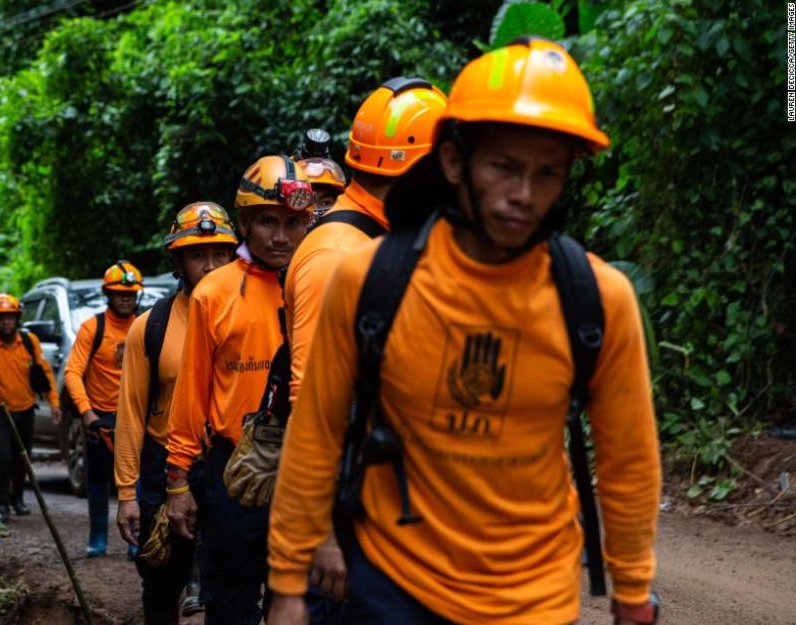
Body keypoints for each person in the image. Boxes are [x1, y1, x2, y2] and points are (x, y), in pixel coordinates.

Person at [267, 39, 661, 625]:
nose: (525, 194)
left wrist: (632, 595)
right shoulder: (370, 280)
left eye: (547, 172)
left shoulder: (598, 301)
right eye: (504, 166)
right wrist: (288, 584)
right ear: (454, 162)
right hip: (394, 587)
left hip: (534, 601)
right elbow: (317, 430)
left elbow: (628, 457)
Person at [282, 77, 448, 621]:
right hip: (345, 526)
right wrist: (323, 532)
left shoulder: (379, 241)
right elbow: (312, 405)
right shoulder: (337, 254)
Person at [166, 155, 312, 625]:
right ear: (244, 222)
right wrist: (177, 483)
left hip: (309, 470)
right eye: (268, 221)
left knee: (304, 604)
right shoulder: (214, 293)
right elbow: (192, 393)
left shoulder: (324, 281)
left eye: (293, 222)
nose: (280, 236)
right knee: (231, 604)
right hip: (235, 472)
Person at [114, 203, 238, 623]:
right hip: (162, 466)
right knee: (162, 579)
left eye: (220, 253)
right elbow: (130, 414)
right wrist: (127, 494)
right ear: (178, 261)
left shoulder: (252, 315)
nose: (210, 265)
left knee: (231, 585)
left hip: (229, 465)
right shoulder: (150, 327)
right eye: (197, 254)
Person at [65, 260, 143, 556]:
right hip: (99, 419)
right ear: (108, 294)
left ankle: (136, 538)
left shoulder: (145, 324)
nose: (125, 297)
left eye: (130, 293)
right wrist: (87, 413)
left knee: (137, 480)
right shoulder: (92, 328)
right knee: (98, 480)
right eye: (119, 293)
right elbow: (73, 372)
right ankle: (98, 535)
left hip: (135, 418)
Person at [0, 293, 59, 521]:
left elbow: (45, 373)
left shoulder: (29, 342)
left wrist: (54, 403)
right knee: (1, 458)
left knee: (22, 457)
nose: (5, 322)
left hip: (26, 409)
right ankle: (2, 505)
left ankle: (18, 498)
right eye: (0, 318)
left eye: (9, 317)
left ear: (17, 319)